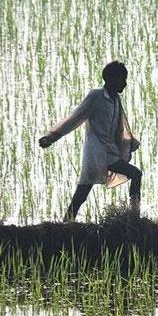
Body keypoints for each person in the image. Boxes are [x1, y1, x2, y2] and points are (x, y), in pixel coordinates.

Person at [38, 61, 142, 222]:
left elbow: (119, 128)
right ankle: (67, 222)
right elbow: (75, 118)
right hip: (96, 153)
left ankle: (133, 216)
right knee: (83, 191)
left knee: (133, 174)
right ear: (111, 79)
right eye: (122, 79)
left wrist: (129, 143)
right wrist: (52, 137)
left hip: (111, 153)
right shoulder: (96, 97)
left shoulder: (116, 101)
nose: (125, 84)